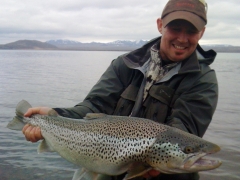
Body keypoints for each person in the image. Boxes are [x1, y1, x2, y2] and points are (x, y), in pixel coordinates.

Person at [22, 0, 218, 179]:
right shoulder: (125, 64)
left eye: (191, 31)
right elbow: (94, 105)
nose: (182, 38)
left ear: (201, 33)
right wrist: (56, 114)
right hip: (107, 169)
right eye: (175, 28)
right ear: (160, 25)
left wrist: (155, 159)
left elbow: (182, 129)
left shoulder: (202, 79)